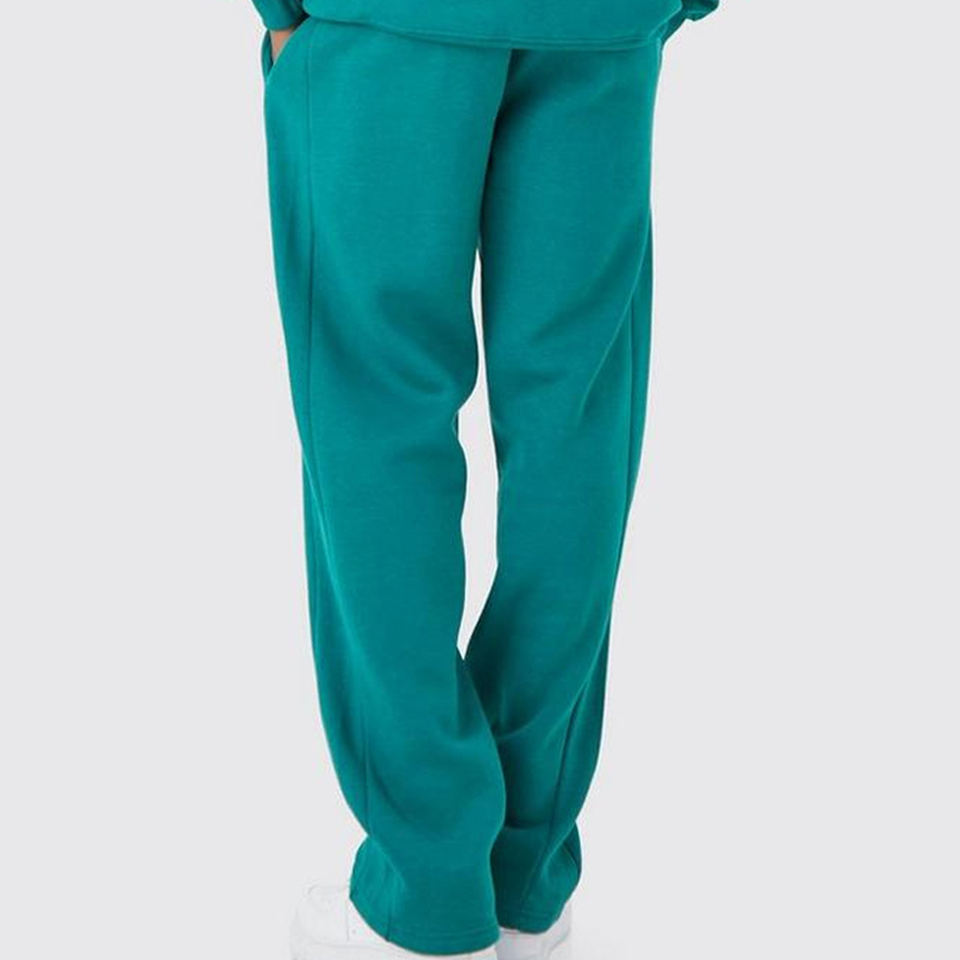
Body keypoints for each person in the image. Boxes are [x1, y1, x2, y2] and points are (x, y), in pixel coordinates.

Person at [251, 0, 718, 956]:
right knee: (574, 426)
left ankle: (428, 891)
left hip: (385, 24)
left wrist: (280, 9)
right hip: (601, 24)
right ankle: (520, 878)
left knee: (375, 417)